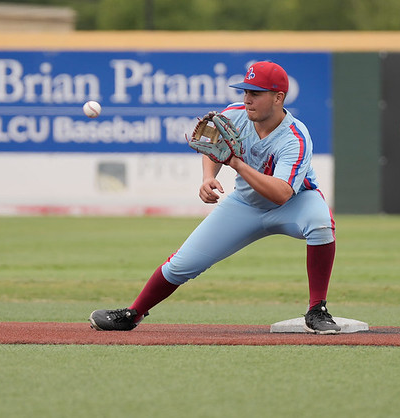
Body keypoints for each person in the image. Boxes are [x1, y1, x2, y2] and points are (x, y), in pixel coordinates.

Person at [90, 61, 340, 334]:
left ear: (278, 97)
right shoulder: (235, 114)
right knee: (181, 265)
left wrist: (238, 165)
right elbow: (212, 145)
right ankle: (133, 313)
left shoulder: (295, 137)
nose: (247, 99)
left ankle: (317, 309)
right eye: (245, 91)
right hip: (245, 204)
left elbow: (281, 194)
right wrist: (208, 176)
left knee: (320, 223)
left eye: (255, 93)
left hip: (295, 204)